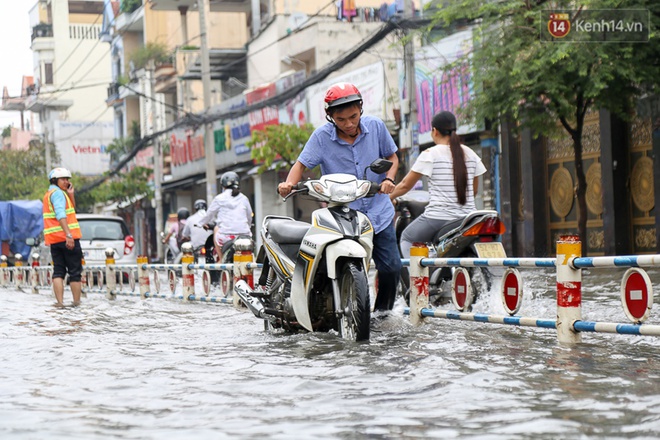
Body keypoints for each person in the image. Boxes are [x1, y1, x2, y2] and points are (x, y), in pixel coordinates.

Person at [277, 82, 401, 312]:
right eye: (341, 120)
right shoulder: (321, 137)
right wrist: (288, 184)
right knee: (329, 266)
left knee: (392, 268)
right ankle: (326, 308)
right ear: (330, 117)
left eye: (353, 116)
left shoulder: (376, 127)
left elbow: (392, 157)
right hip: (342, 216)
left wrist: (389, 180)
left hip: (379, 212)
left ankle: (383, 313)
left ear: (361, 109)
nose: (349, 124)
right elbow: (300, 165)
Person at [389, 111, 487, 258]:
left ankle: (418, 280)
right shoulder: (471, 154)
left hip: (437, 218)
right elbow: (473, 191)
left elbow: (404, 185)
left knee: (407, 237)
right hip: (468, 219)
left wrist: (386, 197)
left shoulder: (430, 154)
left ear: (434, 131)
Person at [42, 167, 83, 307]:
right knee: (75, 272)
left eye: (67, 179)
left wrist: (71, 195)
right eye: (63, 179)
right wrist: (69, 235)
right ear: (55, 180)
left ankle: (60, 303)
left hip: (55, 240)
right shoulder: (58, 194)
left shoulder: (49, 194)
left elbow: (70, 210)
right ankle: (76, 303)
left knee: (58, 271)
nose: (66, 182)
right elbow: (61, 214)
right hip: (67, 239)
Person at [199, 171, 253, 262]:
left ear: (223, 185)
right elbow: (249, 217)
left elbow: (209, 215)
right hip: (245, 236)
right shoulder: (244, 198)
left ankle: (221, 259)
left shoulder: (219, 198)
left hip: (226, 237)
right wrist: (248, 226)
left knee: (216, 228)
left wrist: (201, 223)